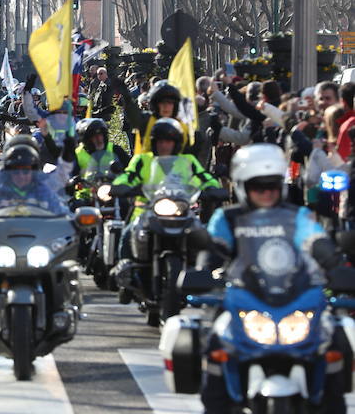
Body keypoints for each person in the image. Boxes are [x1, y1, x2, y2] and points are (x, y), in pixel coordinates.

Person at [198, 143, 346, 414]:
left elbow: (314, 239)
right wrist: (203, 274)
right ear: (243, 187)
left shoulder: (297, 216)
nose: (266, 193)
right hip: (245, 298)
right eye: (258, 186)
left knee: (333, 336)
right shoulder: (227, 218)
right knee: (214, 339)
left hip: (294, 298)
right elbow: (212, 252)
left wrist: (335, 265)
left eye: (272, 186)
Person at [110, 118, 221, 287]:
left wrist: (213, 188)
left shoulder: (188, 161)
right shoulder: (142, 160)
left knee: (204, 234)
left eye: (169, 141)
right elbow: (128, 176)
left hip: (181, 211)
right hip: (147, 211)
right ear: (154, 143)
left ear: (176, 143)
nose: (164, 145)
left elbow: (204, 177)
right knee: (128, 233)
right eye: (161, 141)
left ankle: (206, 272)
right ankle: (125, 273)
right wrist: (120, 186)